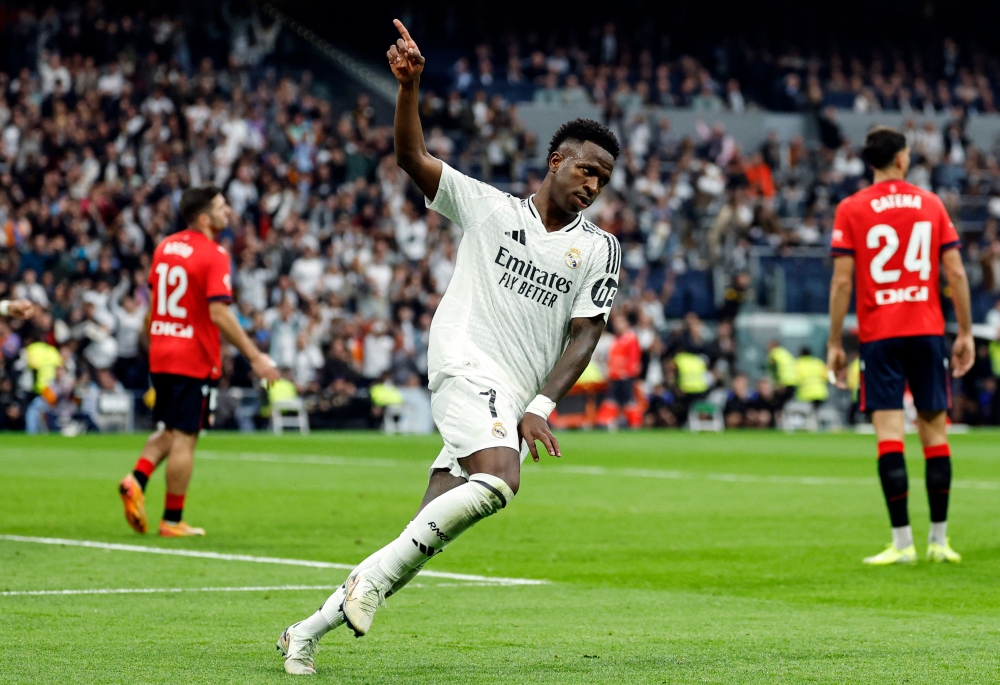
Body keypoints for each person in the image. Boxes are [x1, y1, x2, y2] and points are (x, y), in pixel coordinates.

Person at [277, 19, 621, 675]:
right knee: (500, 478)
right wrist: (408, 89)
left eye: (603, 178)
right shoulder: (490, 209)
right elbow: (412, 158)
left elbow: (588, 331)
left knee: (422, 534)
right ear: (556, 162)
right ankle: (366, 588)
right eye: (585, 169)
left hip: (511, 394)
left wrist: (542, 402)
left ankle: (306, 630)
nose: (593, 184)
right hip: (465, 363)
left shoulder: (599, 248)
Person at [827, 126, 974, 566]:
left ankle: (902, 543)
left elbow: (841, 281)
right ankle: (940, 541)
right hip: (927, 330)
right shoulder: (930, 203)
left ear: (870, 161)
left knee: (890, 437)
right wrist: (964, 332)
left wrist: (835, 342)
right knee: (935, 434)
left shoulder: (851, 208)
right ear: (902, 159)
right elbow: (957, 272)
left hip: (880, 335)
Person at [117, 187, 279, 538]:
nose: (229, 212)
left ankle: (136, 479)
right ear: (204, 218)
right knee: (186, 438)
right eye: (222, 207)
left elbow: (152, 304)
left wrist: (155, 342)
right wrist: (255, 356)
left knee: (170, 429)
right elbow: (219, 312)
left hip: (161, 351)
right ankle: (172, 519)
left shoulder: (164, 247)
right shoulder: (214, 253)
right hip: (192, 357)